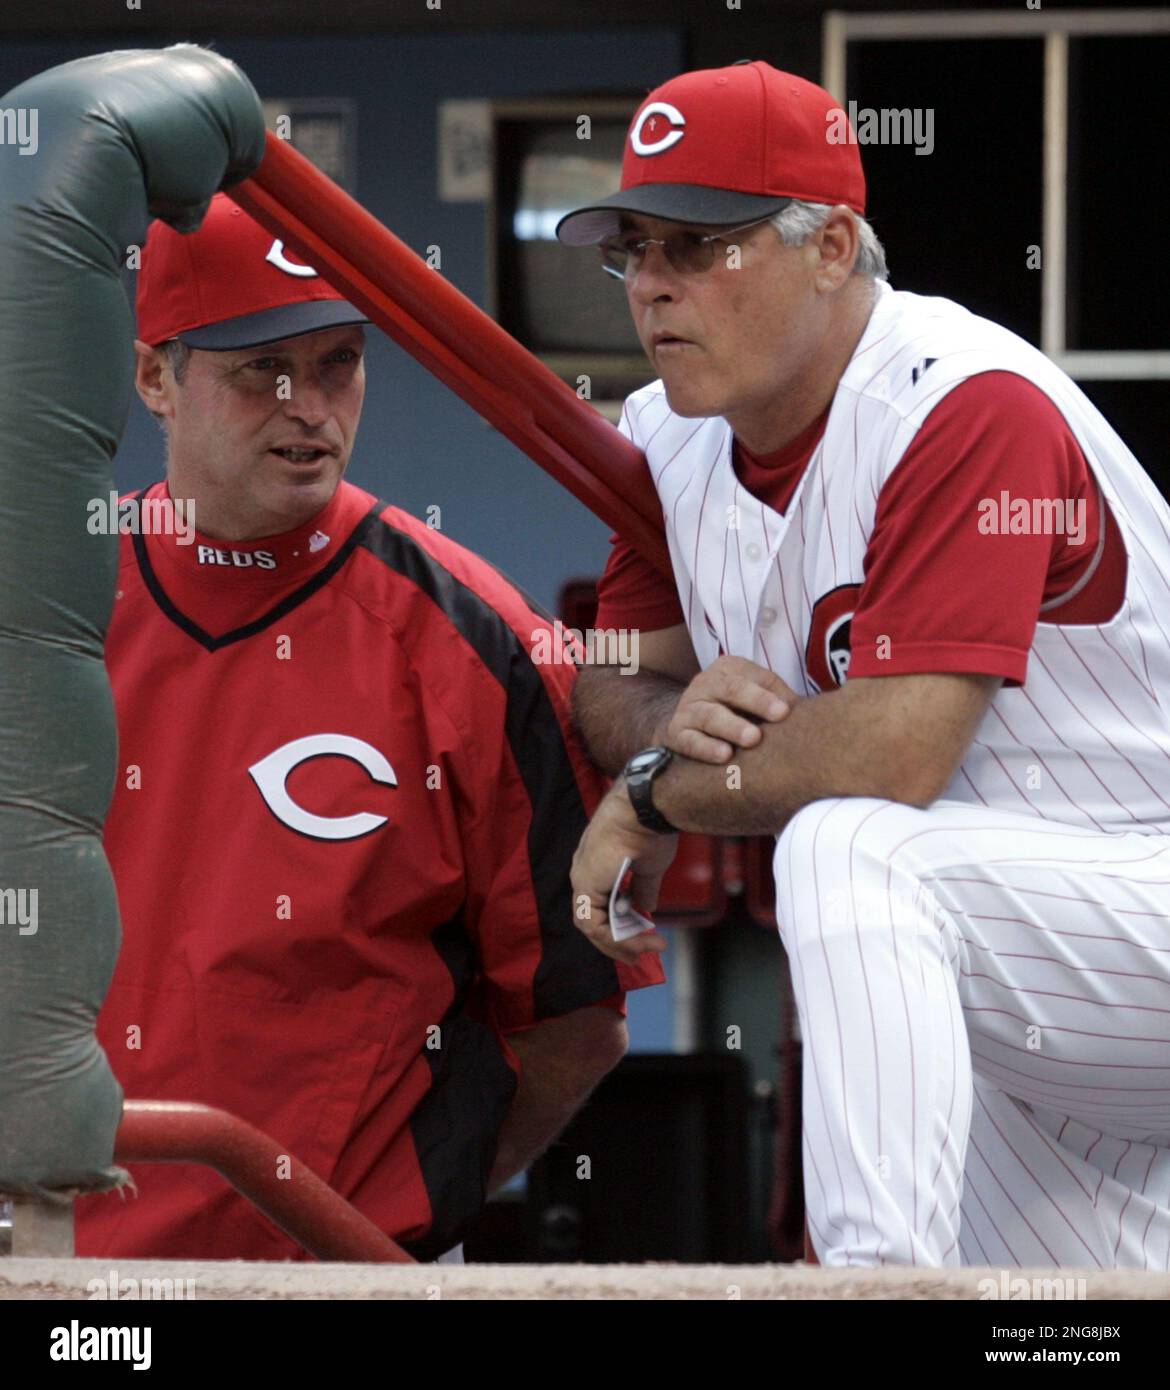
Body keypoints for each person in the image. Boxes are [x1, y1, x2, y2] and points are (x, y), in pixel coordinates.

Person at [557, 61, 1170, 1270]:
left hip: (1135, 898)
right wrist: (663, 719)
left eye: (698, 244)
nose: (654, 286)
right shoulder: (670, 432)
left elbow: (894, 753)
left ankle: (865, 1295)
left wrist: (652, 793)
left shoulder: (965, 401)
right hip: (1005, 981)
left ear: (833, 245)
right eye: (634, 249)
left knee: (846, 843)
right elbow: (611, 674)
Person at [74, 193, 663, 1263]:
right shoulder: (47, 611)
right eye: (263, 368)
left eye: (338, 362)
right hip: (59, 1260)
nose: (310, 407)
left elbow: (578, 1015)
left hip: (346, 1273)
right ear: (156, 375)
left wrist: (396, 1221)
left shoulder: (474, 633)